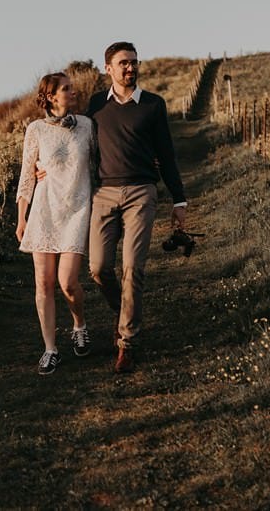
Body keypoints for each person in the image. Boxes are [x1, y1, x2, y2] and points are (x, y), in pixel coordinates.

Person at [86, 41, 186, 373]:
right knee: (98, 268)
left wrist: (179, 200)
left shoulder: (153, 105)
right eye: (123, 63)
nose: (130, 68)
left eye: (134, 62)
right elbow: (79, 146)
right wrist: (45, 166)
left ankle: (126, 343)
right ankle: (122, 310)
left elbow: (167, 154)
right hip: (104, 194)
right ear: (108, 69)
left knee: (133, 267)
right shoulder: (96, 105)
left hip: (142, 192)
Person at [15, 72, 96, 375]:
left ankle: (79, 324)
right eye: (66, 89)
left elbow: (100, 164)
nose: (73, 92)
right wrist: (21, 216)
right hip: (44, 210)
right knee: (44, 284)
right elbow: (27, 174)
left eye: (71, 87)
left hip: (77, 208)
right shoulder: (35, 129)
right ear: (50, 97)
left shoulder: (87, 126)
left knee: (67, 282)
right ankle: (50, 349)